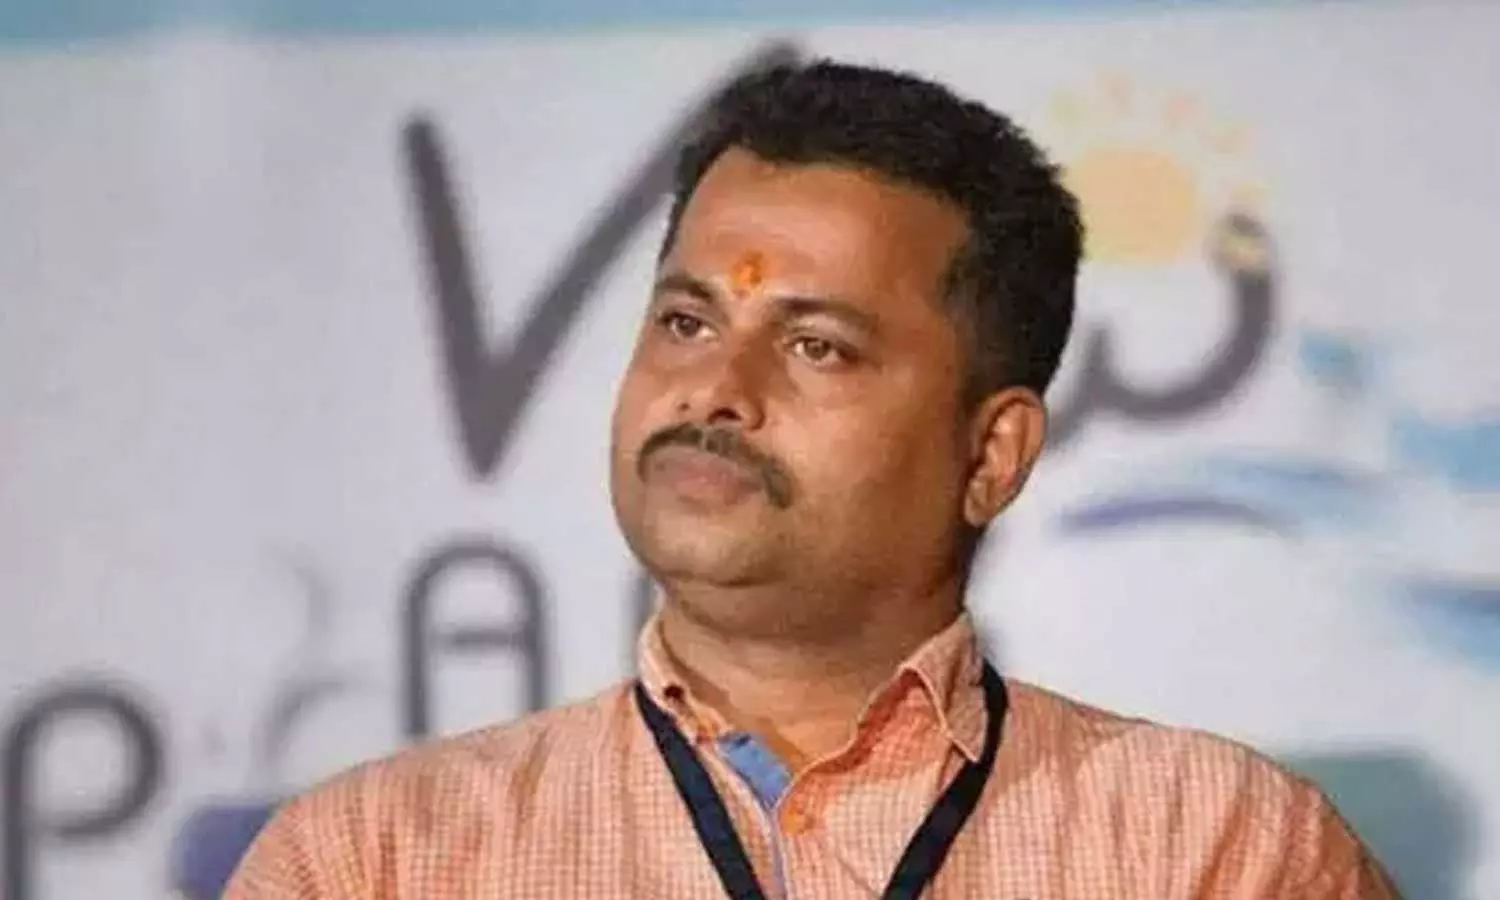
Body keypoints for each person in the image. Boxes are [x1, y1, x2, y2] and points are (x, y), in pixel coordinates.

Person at [225, 59, 1399, 899]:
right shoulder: (376, 861)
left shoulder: (1212, 850)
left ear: (991, 454)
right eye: (687, 321)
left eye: (816, 346)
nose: (715, 391)